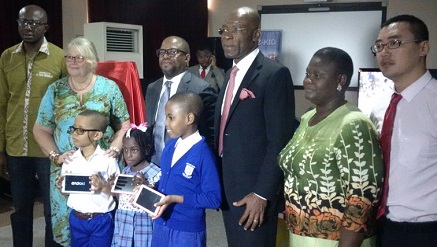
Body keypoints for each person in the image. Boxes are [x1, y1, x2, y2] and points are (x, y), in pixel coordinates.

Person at [278, 47, 384, 247]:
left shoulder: (353, 123)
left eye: (317, 75)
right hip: (301, 233)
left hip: (336, 240)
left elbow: (362, 197)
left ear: (340, 80)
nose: (308, 79)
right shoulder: (308, 117)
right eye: (308, 73)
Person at [33, 37, 130, 246]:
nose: (72, 61)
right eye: (69, 57)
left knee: (103, 227)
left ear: (91, 60)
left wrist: (115, 147)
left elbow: (124, 126)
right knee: (69, 229)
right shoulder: (55, 90)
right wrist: (55, 156)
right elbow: (40, 129)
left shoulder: (109, 88)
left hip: (102, 168)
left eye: (79, 57)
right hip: (66, 170)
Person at [214, 6, 295, 247]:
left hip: (254, 192)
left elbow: (279, 140)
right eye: (224, 29)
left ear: (257, 35)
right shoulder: (230, 74)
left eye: (237, 29)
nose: (227, 36)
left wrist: (262, 194)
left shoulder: (274, 74)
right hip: (228, 187)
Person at [0, 5, 67, 247]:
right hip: (16, 145)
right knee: (21, 208)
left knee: (52, 208)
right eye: (23, 22)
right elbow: (2, 103)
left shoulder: (60, 57)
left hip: (48, 147)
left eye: (34, 23)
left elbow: (66, 104)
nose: (28, 27)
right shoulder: (7, 57)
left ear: (46, 27)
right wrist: (1, 148)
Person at [371, 15, 437, 247]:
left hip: (425, 231)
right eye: (379, 46)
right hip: (382, 226)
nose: (384, 52)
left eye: (395, 43)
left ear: (423, 48)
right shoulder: (380, 106)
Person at [151, 91, 221, 247]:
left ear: (189, 118)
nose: (166, 123)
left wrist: (176, 198)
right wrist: (150, 188)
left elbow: (214, 199)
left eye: (171, 117)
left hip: (187, 232)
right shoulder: (170, 146)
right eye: (166, 117)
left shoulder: (203, 155)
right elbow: (166, 180)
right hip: (161, 226)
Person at [145, 36, 217, 166]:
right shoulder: (152, 88)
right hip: (153, 165)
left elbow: (210, 136)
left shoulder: (201, 89)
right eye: (162, 52)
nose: (165, 56)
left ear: (187, 58)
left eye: (172, 52)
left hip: (184, 166)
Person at [58, 110, 120, 247]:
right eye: (73, 129)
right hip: (76, 218)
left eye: (80, 130)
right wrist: (61, 187)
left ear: (97, 135)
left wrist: (103, 186)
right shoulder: (70, 160)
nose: (74, 133)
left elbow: (119, 192)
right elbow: (67, 191)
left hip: (101, 219)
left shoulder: (108, 160)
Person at [111, 123, 161, 247]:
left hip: (143, 224)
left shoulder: (156, 173)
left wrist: (145, 187)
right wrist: (113, 186)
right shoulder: (124, 172)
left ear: (147, 149)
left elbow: (157, 205)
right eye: (125, 150)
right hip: (123, 221)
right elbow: (121, 199)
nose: (128, 155)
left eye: (134, 150)